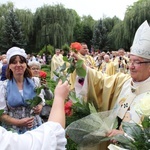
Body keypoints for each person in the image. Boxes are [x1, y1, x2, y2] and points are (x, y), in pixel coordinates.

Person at [71, 20, 150, 149]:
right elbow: (100, 81)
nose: (131, 66)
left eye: (137, 62)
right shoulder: (123, 81)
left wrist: (126, 136)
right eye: (130, 60)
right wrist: (82, 68)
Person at [0, 80, 69, 150]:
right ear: (10, 68)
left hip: (34, 125)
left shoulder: (34, 81)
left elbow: (45, 98)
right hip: (14, 128)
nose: (19, 68)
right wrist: (59, 98)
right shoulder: (4, 86)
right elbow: (50, 139)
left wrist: (40, 105)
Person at [0, 47, 45, 134]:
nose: (18, 65)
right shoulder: (3, 86)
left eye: (21, 62)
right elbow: (1, 114)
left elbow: (41, 100)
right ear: (9, 66)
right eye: (14, 62)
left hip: (34, 127)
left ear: (26, 64)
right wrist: (19, 122)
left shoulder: (35, 81)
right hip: (13, 131)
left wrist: (40, 107)